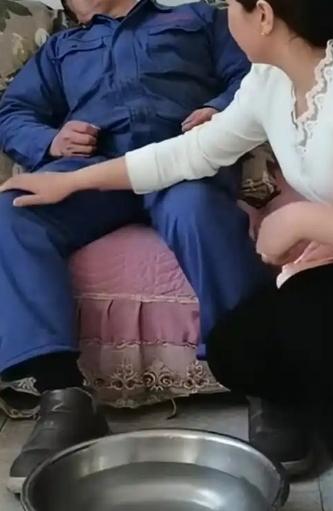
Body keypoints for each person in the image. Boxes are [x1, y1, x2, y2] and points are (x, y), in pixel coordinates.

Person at [0, 0, 333, 509]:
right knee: (240, 350)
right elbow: (189, 153)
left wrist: (300, 220)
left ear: (262, 15)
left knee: (320, 331)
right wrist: (72, 182)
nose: (222, 14)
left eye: (232, 6)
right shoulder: (270, 82)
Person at [0, 0, 316, 494]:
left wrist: (220, 110)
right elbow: (14, 111)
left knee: (198, 212)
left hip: (184, 162)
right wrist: (50, 140)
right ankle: (62, 396)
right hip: (92, 173)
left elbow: (256, 74)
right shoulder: (61, 48)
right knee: (12, 211)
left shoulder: (197, 18)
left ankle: (266, 383)